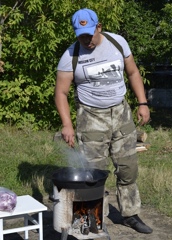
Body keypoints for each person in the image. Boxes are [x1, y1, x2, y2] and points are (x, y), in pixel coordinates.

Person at [55, 8, 152, 234]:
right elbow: (60, 93)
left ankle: (130, 214)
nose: (87, 40)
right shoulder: (70, 56)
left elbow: (133, 72)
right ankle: (92, 219)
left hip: (121, 113)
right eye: (81, 35)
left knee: (128, 168)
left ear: (99, 27)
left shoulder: (118, 43)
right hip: (90, 118)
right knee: (93, 174)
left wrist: (143, 103)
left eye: (90, 33)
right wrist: (67, 124)